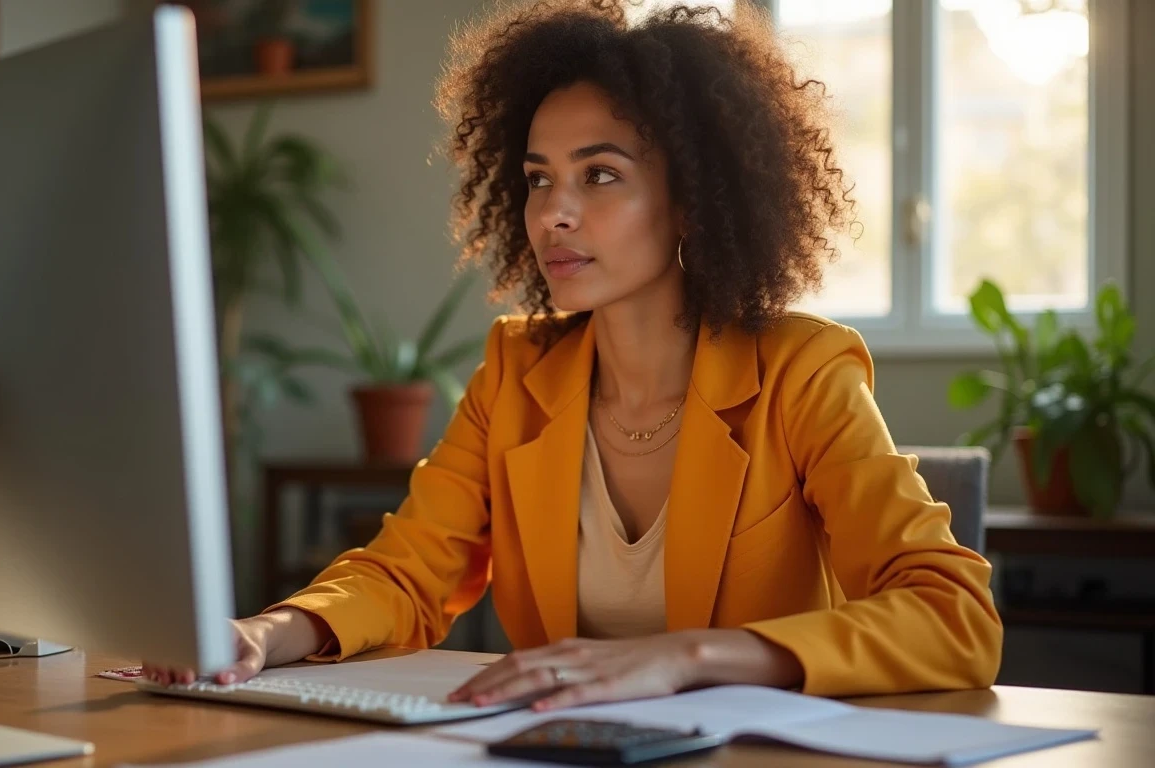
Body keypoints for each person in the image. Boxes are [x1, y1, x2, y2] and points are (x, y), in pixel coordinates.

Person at [146, 0, 1002, 710]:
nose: (554, 213)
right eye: (538, 178)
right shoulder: (517, 371)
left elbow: (954, 617)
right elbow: (404, 574)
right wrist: (266, 633)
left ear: (694, 202)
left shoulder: (802, 370)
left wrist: (691, 657)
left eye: (599, 176)